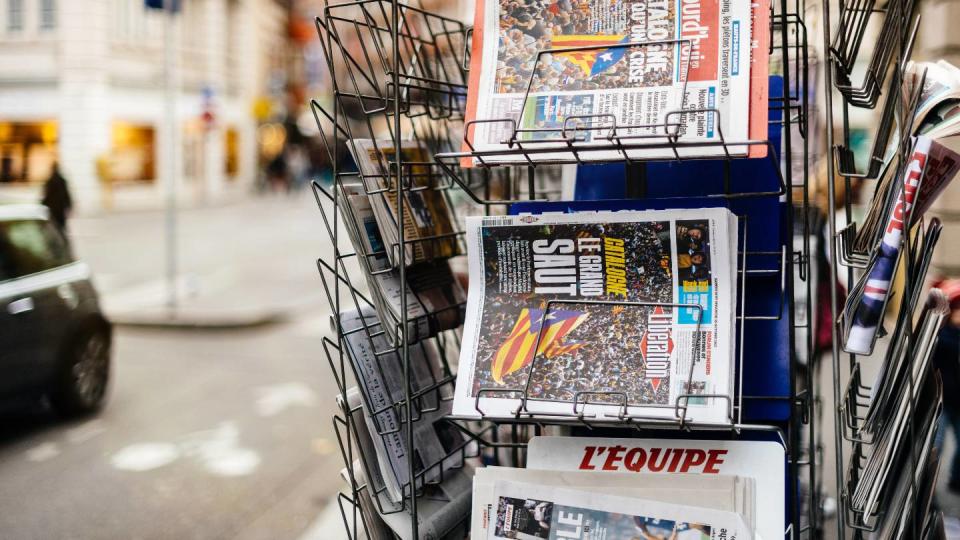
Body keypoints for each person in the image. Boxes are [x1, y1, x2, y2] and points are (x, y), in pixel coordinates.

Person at [933, 278, 960, 492]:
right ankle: (926, 489)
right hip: (941, 400)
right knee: (935, 445)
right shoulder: (939, 336)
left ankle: (957, 479)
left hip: (959, 402)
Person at [41, 162, 73, 233]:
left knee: (54, 225)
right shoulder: (62, 180)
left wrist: (43, 204)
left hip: (53, 208)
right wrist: (69, 205)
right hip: (60, 207)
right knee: (60, 225)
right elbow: (66, 194)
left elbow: (46, 195)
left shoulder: (50, 181)